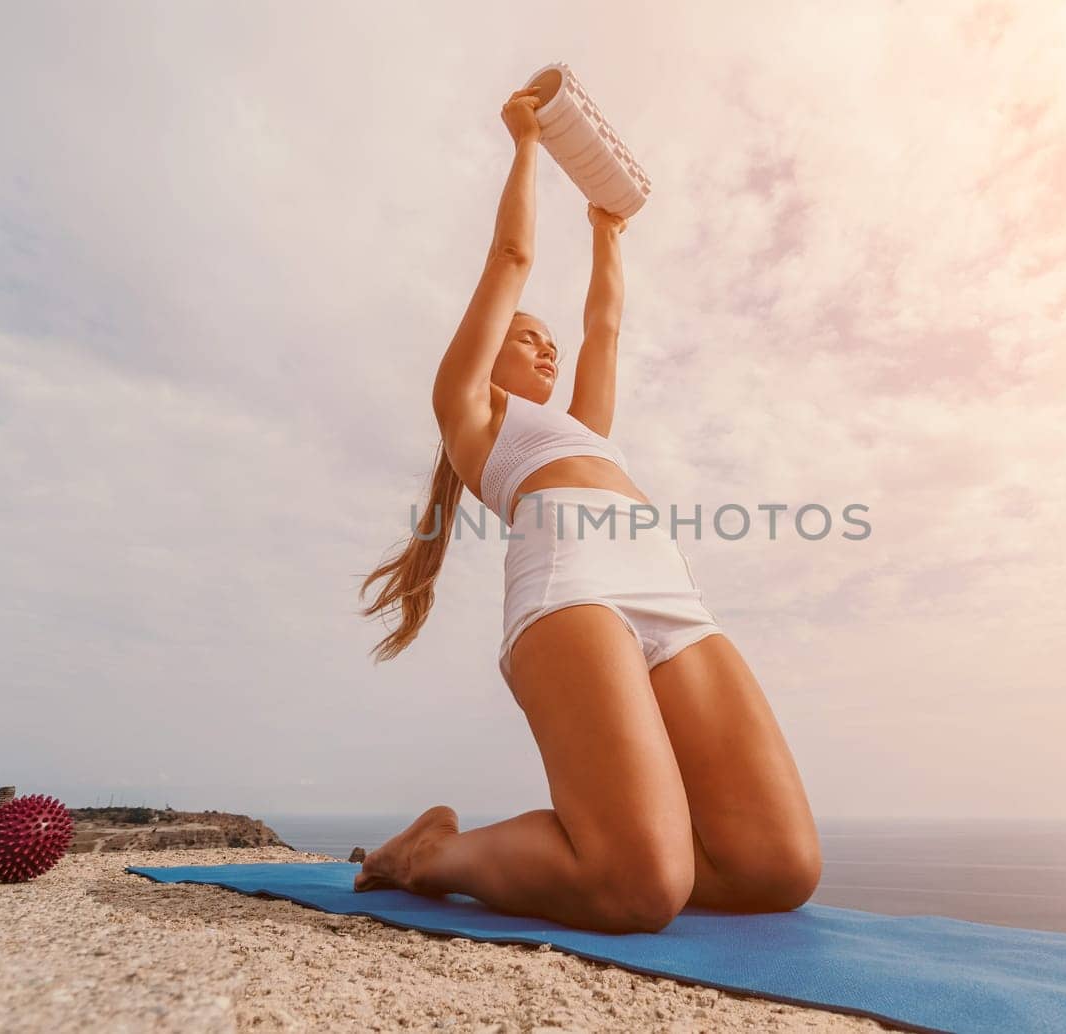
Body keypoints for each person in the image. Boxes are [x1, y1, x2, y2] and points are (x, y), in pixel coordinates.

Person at [352, 84, 821, 934]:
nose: (546, 345)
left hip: (669, 595)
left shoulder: (579, 427)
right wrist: (527, 143)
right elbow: (511, 258)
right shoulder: (471, 412)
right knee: (638, 890)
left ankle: (631, 845)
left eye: (546, 340)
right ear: (482, 351)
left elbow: (603, 328)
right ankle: (428, 855)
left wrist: (608, 236)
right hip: (572, 592)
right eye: (526, 336)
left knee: (776, 869)